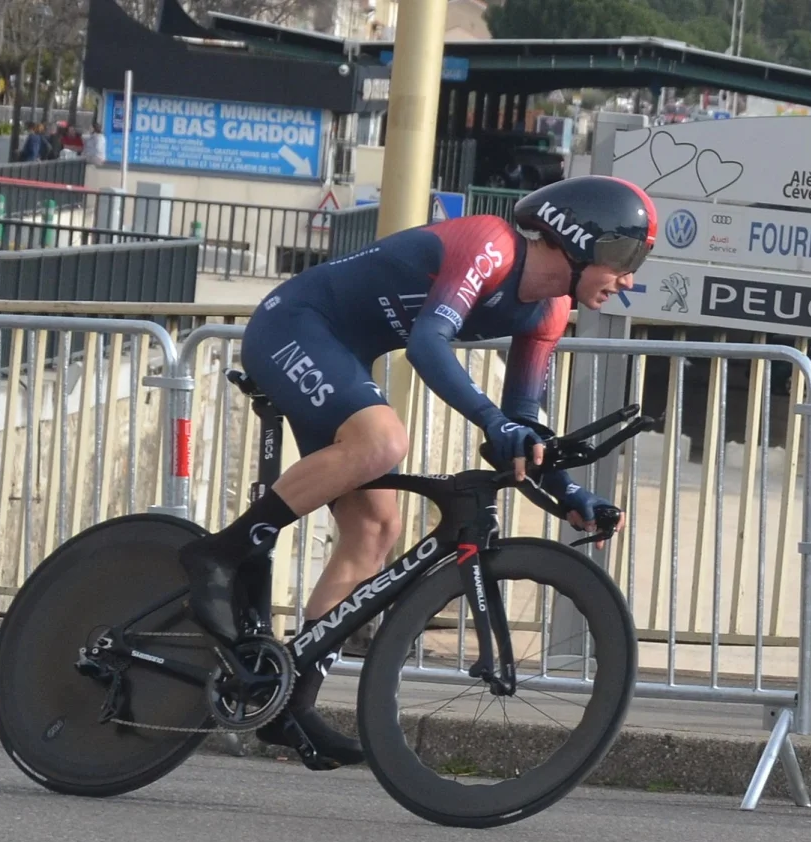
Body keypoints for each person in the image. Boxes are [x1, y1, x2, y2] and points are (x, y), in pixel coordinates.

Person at [178, 174, 658, 768]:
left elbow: (521, 422)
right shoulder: (492, 244)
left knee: (377, 529)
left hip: (344, 353)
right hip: (295, 323)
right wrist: (491, 422)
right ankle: (220, 554)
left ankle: (288, 704)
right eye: (624, 257)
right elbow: (429, 345)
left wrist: (569, 493)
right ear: (576, 238)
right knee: (384, 441)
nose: (629, 277)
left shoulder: (551, 310)